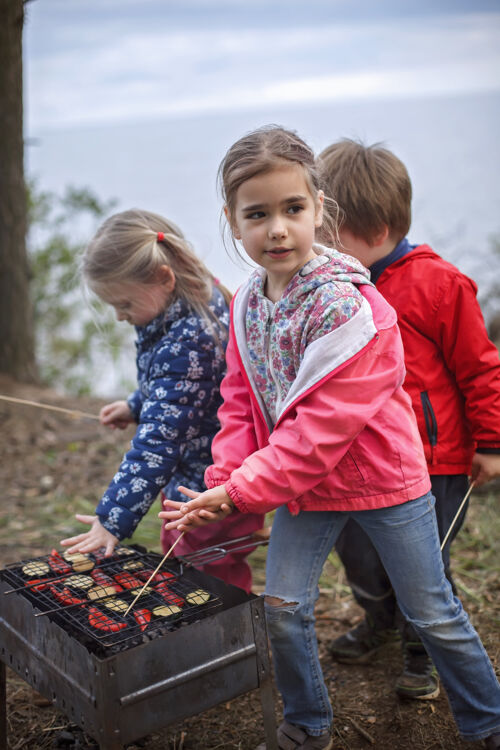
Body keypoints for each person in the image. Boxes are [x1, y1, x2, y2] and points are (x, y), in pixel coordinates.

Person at [159, 126, 500, 750]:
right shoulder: (247, 308)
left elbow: (324, 429)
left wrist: (243, 492)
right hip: (303, 489)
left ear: (320, 208)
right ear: (234, 225)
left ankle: (487, 723)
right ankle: (306, 726)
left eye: (293, 209)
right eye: (257, 214)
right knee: (284, 610)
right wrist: (225, 479)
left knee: (432, 612)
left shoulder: (350, 309)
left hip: (386, 484)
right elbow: (241, 399)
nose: (278, 229)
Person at [319, 139, 500, 702]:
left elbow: (481, 370)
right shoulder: (334, 286)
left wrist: (491, 444)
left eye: (329, 234)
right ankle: (379, 621)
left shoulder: (441, 286)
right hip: (361, 461)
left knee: (425, 563)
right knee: (358, 552)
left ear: (373, 233)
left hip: (435, 462)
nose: (319, 246)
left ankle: (421, 652)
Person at [60, 208, 264, 592]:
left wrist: (112, 518)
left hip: (212, 486)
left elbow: (158, 443)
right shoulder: (192, 300)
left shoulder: (191, 338)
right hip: (198, 478)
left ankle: (228, 632)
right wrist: (137, 405)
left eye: (124, 304)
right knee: (184, 555)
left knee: (207, 569)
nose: (120, 317)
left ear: (163, 278)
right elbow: (181, 389)